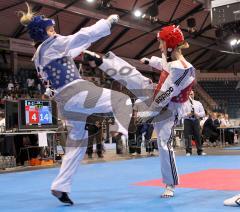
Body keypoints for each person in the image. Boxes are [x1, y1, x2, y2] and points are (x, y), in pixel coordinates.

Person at [19, 3, 132, 205]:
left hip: (64, 102)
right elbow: (81, 36)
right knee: (122, 100)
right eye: (50, 29)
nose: (54, 31)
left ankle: (60, 186)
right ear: (44, 33)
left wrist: (86, 46)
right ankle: (120, 131)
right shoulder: (54, 44)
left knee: (76, 144)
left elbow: (74, 47)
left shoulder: (39, 55)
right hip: (77, 92)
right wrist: (108, 23)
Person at [83, 25, 196, 198]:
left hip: (169, 106)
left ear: (171, 45)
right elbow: (163, 64)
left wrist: (148, 114)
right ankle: (103, 62)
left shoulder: (183, 69)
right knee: (135, 78)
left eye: (161, 43)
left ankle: (170, 184)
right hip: (159, 94)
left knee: (164, 144)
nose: (159, 47)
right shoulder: (171, 58)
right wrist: (150, 61)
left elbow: (166, 94)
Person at [183, 90, 206, 156]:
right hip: (187, 120)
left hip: (196, 120)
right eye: (190, 94)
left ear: (194, 94)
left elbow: (203, 113)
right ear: (187, 95)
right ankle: (188, 151)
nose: (191, 95)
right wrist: (188, 114)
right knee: (187, 136)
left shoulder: (198, 103)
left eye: (192, 94)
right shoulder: (184, 103)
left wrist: (197, 114)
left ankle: (200, 151)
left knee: (198, 136)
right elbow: (181, 114)